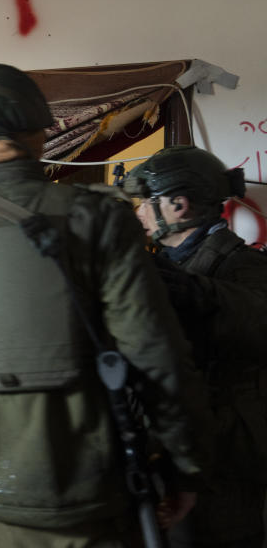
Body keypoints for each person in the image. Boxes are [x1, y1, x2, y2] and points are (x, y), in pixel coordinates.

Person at [0, 63, 210, 546]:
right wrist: (186, 469)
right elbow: (159, 360)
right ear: (38, 133)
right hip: (86, 504)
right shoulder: (99, 220)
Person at [124, 146, 267, 548]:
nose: (139, 214)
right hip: (179, 447)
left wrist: (189, 289)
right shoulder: (167, 263)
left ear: (178, 204)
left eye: (145, 205)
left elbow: (256, 321)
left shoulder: (243, 266)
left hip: (226, 456)